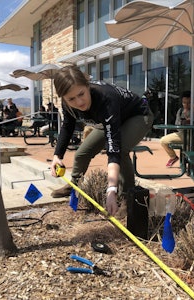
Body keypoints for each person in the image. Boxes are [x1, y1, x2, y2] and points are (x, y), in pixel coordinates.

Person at [49, 65, 153, 216]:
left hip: (137, 115)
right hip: (108, 120)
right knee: (81, 153)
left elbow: (113, 148)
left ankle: (127, 197)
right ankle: (74, 186)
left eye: (81, 94)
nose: (78, 102)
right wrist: (57, 156)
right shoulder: (67, 103)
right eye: (71, 99)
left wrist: (111, 190)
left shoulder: (106, 98)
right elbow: (67, 126)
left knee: (121, 148)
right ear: (63, 98)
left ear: (87, 86)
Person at [160, 91, 194, 167]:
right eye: (184, 102)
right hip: (183, 134)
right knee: (163, 141)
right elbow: (177, 124)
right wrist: (182, 123)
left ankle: (193, 164)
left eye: (189, 103)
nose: (186, 105)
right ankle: (173, 157)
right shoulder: (180, 111)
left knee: (190, 144)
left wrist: (193, 122)